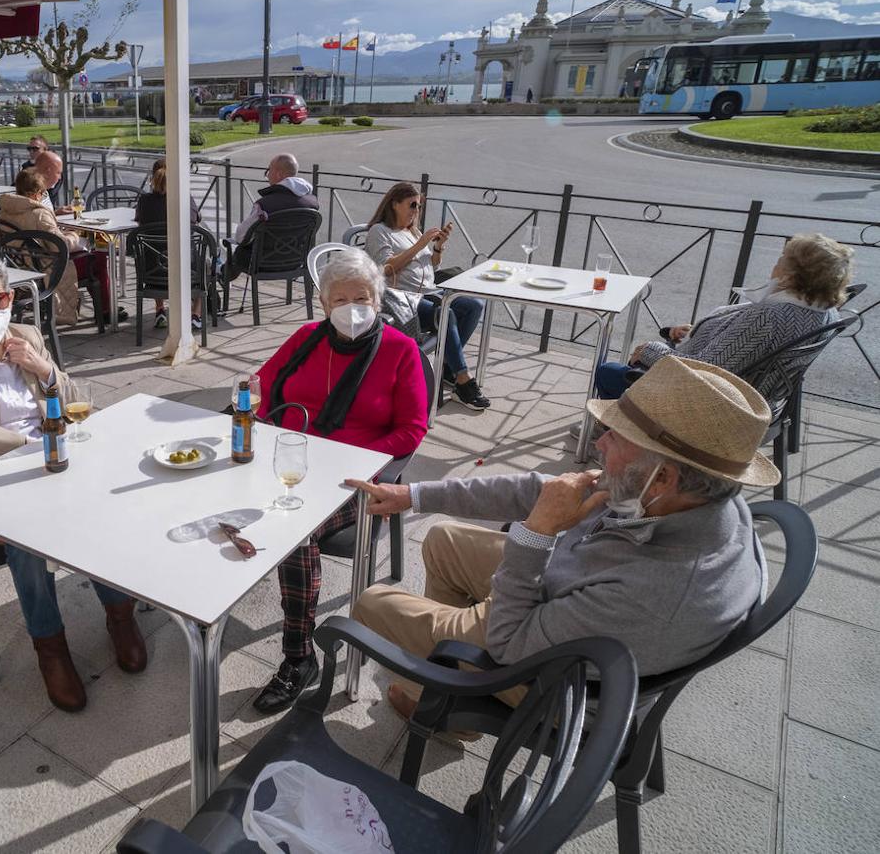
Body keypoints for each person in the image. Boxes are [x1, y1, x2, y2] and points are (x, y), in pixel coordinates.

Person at [348, 355, 777, 720]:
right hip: (564, 599)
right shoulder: (680, 496)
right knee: (443, 541)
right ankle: (437, 691)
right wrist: (416, 494)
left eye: (618, 435)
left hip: (552, 680)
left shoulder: (657, 591)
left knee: (372, 603)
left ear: (662, 477)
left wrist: (537, 534)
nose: (600, 441)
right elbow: (536, 491)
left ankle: (448, 692)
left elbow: (509, 643)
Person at [0, 255, 147, 711]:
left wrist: (42, 369)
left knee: (105, 507)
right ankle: (50, 649)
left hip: (52, 455)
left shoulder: (27, 336)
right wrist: (31, 442)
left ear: (11, 297)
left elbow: (75, 401)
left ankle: (119, 616)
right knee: (26, 542)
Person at [248, 247, 429, 714]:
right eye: (341, 298)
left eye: (363, 296)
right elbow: (263, 387)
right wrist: (256, 414)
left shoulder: (399, 349)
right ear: (325, 304)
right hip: (289, 459)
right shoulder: (307, 336)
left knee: (297, 530)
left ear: (378, 298)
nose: (354, 307)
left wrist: (351, 461)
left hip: (355, 475)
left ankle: (298, 657)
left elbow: (412, 429)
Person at [589, 233, 853, 404]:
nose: (774, 266)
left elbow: (702, 373)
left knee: (609, 372)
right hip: (756, 396)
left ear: (792, 275)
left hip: (714, 404)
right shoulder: (825, 312)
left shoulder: (770, 316)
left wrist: (650, 350)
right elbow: (742, 348)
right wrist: (703, 332)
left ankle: (622, 439)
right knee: (640, 360)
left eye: (781, 260)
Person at [365, 181, 489, 410]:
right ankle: (462, 379)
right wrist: (420, 243)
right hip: (398, 298)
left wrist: (438, 248)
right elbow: (385, 268)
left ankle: (448, 369)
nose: (416, 211)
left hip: (428, 291)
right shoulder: (380, 231)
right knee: (446, 313)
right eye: (412, 205)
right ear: (394, 204)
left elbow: (430, 264)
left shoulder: (412, 231)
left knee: (475, 305)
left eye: (419, 206)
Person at [33, 150, 122, 322]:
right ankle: (105, 311)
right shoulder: (39, 201)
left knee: (95, 245)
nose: (60, 177)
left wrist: (56, 213)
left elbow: (42, 224)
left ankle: (104, 307)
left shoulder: (23, 202)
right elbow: (55, 241)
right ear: (48, 170)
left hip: (32, 259)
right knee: (99, 256)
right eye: (59, 172)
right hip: (51, 265)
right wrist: (75, 236)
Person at [0, 168, 85, 327]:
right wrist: (75, 235)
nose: (43, 196)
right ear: (35, 193)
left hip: (20, 266)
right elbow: (59, 246)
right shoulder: (39, 214)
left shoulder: (4, 213)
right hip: (46, 269)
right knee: (95, 260)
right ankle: (106, 314)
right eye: (43, 193)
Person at [224, 153, 318, 282]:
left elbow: (241, 237)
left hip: (263, 264)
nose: (267, 175)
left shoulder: (264, 205)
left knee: (238, 252)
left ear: (279, 174)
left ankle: (219, 277)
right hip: (297, 261)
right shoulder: (312, 204)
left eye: (268, 170)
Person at [134, 158, 204, 330]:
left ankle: (160, 310)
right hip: (186, 274)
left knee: (156, 253)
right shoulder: (184, 199)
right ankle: (196, 315)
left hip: (153, 274)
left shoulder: (144, 201)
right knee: (205, 265)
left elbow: (138, 220)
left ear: (153, 177)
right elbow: (197, 218)